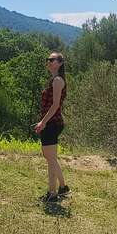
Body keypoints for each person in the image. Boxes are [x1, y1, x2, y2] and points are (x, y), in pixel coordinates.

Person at [35, 52, 69, 202]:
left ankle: (52, 193)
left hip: (52, 123)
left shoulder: (57, 81)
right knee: (51, 158)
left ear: (59, 63)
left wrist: (43, 122)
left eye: (51, 60)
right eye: (47, 59)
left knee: (50, 158)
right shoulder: (55, 80)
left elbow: (55, 105)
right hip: (53, 122)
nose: (48, 62)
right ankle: (62, 187)